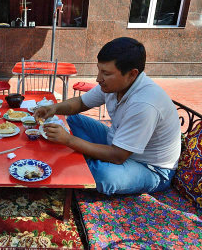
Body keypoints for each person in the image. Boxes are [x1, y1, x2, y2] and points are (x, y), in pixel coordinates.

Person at [34, 37, 181, 195]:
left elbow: (118, 156)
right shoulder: (114, 85)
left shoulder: (144, 104)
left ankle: (89, 162)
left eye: (106, 73)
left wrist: (69, 140)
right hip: (118, 141)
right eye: (99, 70)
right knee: (74, 119)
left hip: (150, 168)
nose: (98, 78)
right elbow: (81, 103)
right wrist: (53, 108)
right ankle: (90, 158)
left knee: (102, 175)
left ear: (132, 74)